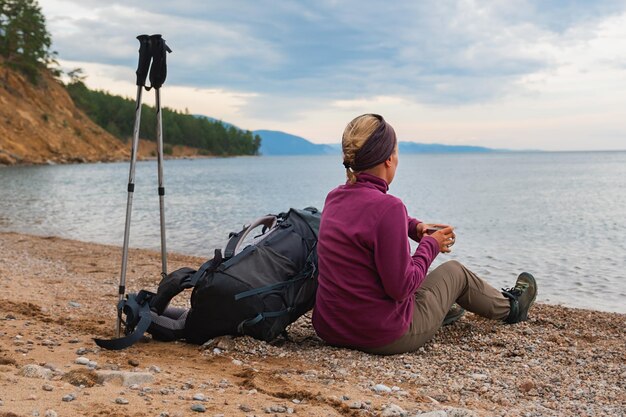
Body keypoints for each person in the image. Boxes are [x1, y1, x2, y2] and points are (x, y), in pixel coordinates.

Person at [311, 114, 537, 355]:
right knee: (455, 272)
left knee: (401, 275)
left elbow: (364, 220)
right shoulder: (390, 208)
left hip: (331, 328)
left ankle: (442, 308)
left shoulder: (335, 198)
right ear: (389, 159)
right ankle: (512, 308)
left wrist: (414, 227)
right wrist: (431, 245)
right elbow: (401, 288)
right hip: (382, 335)